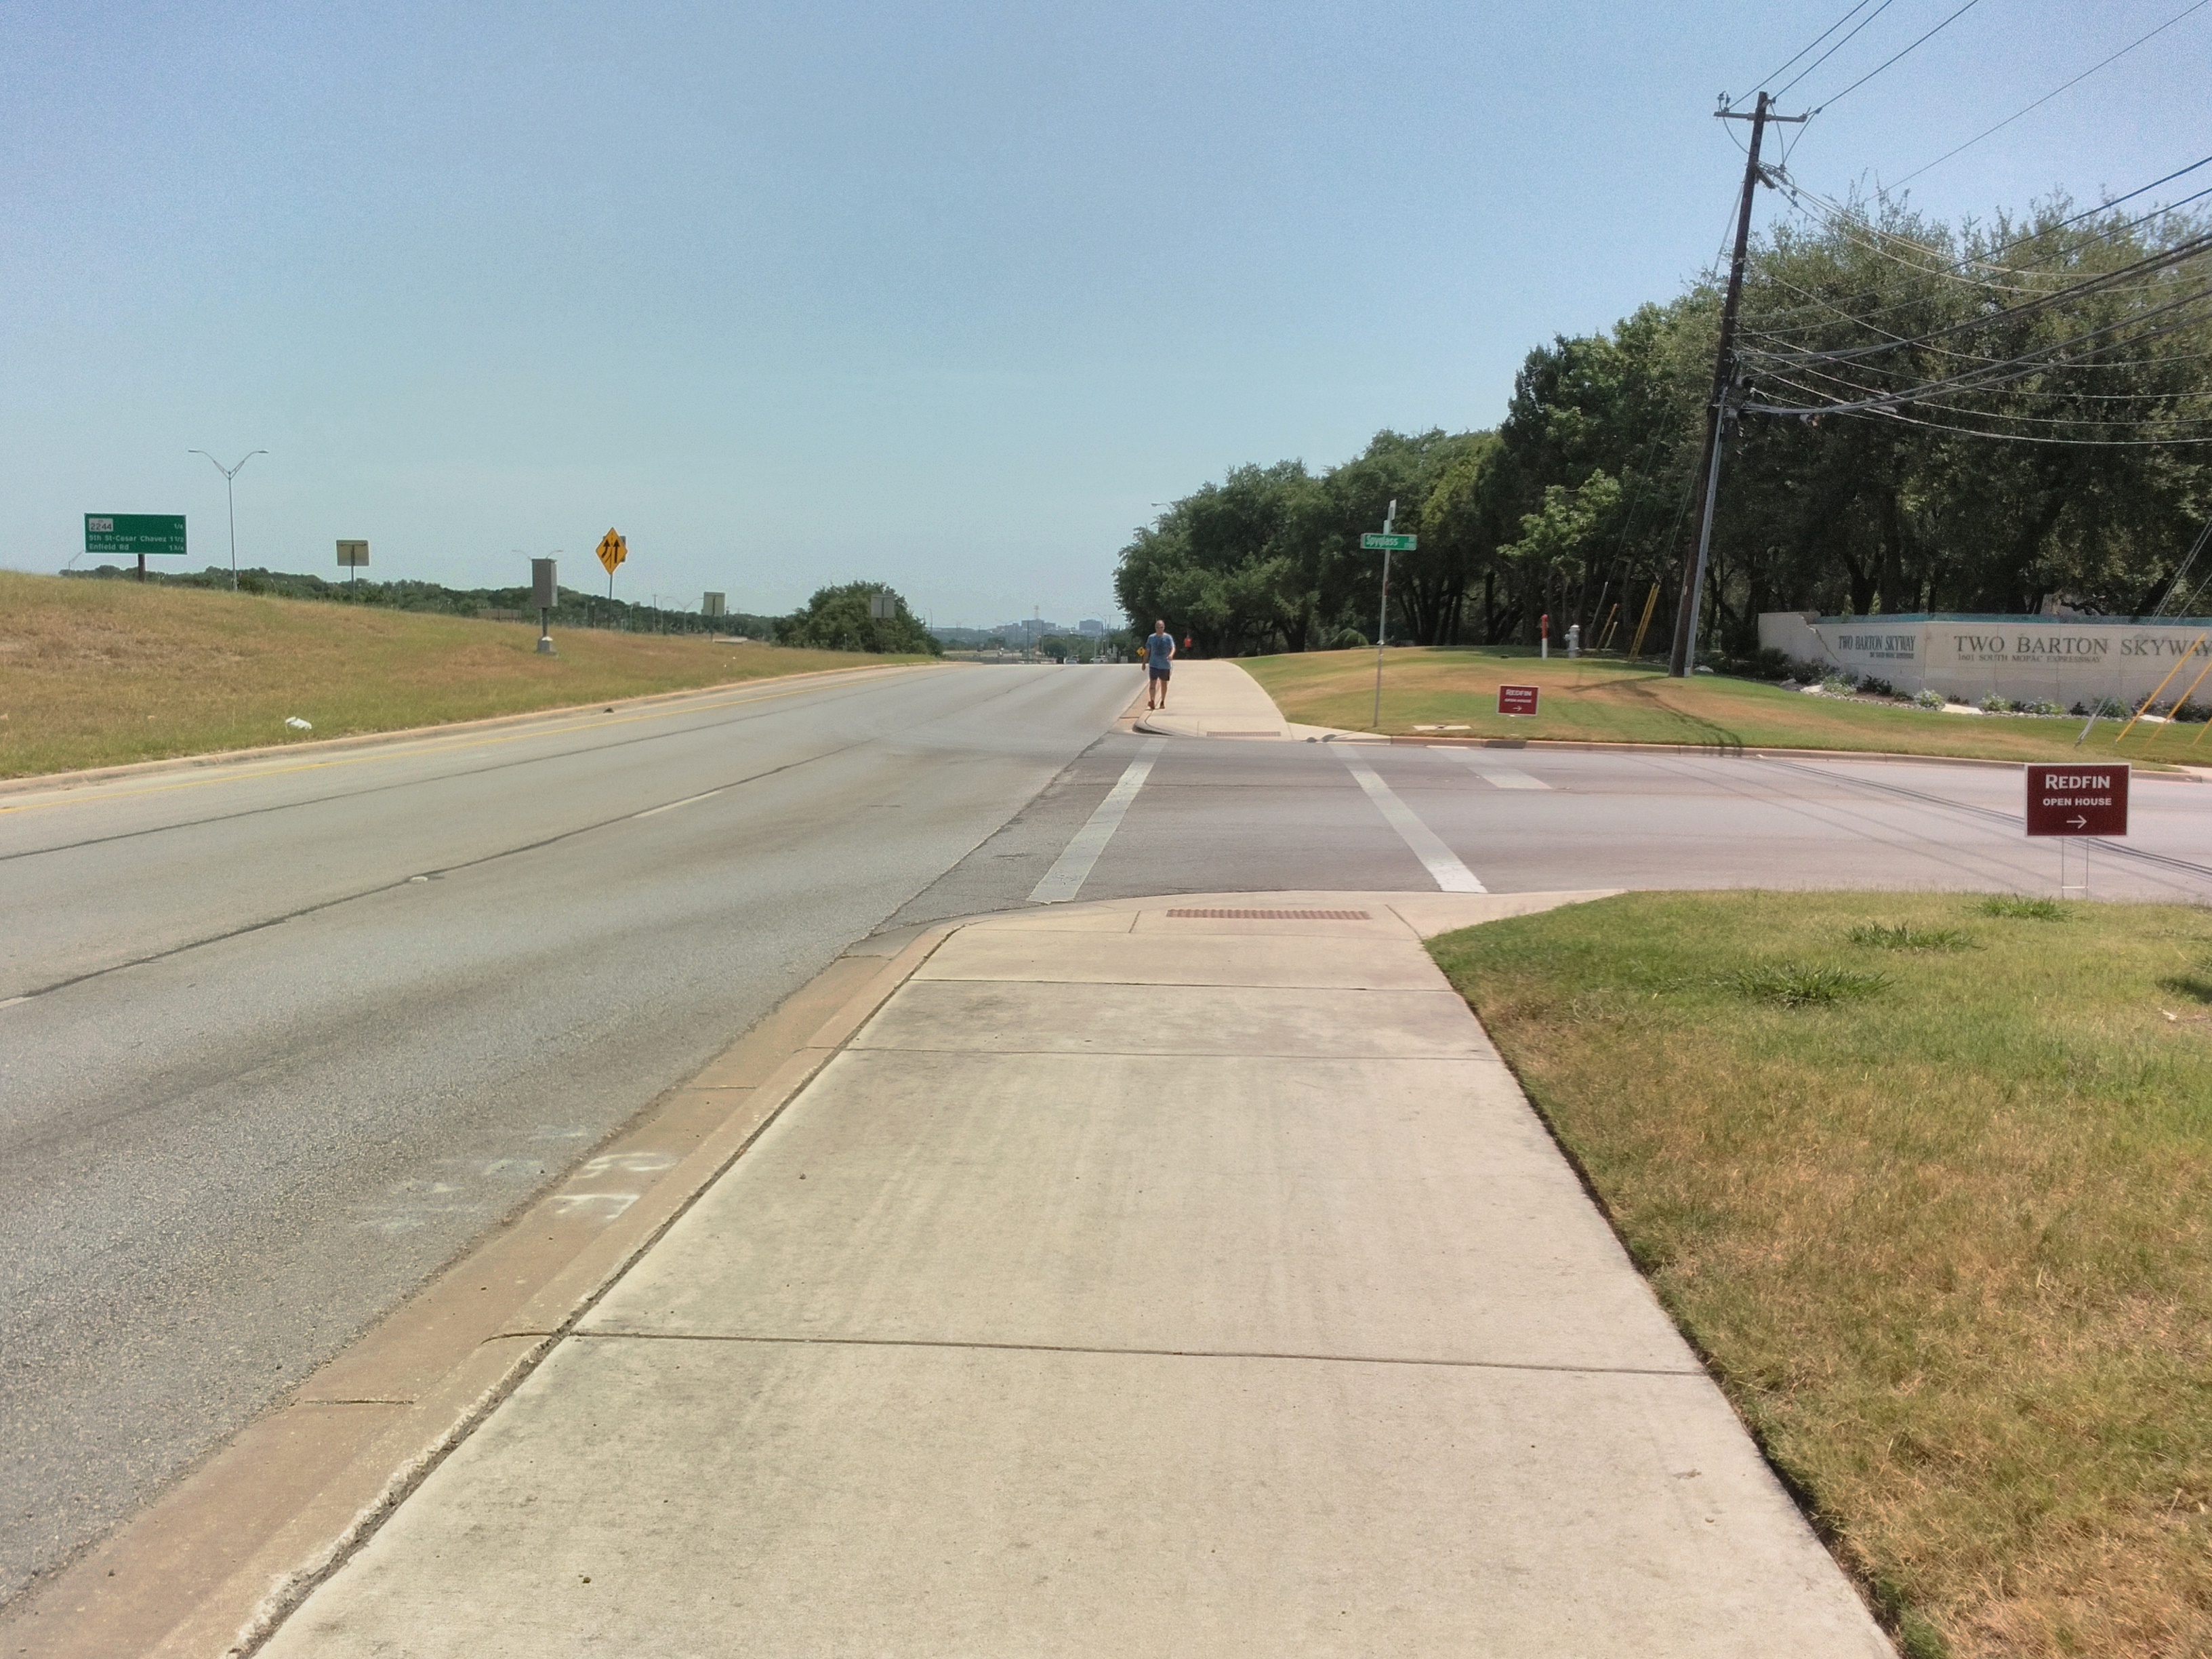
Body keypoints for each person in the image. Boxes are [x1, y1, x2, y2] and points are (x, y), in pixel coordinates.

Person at [1145, 619, 1176, 710]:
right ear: (1155, 628)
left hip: (1165, 665)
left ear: (1164, 628)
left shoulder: (1168, 638)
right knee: (1152, 683)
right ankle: (1152, 700)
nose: (1160, 629)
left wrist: (1171, 655)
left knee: (1164, 684)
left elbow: (1173, 647)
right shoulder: (1151, 638)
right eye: (1158, 627)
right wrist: (1144, 662)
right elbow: (1147, 650)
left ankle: (1162, 701)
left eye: (1161, 627)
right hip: (1154, 664)